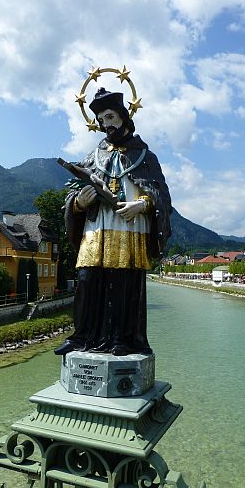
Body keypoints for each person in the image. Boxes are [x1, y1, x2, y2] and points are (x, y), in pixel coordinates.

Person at [54, 87, 171, 356]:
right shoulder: (93, 157)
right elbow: (72, 193)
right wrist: (79, 202)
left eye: (110, 117)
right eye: (102, 121)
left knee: (122, 283)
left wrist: (143, 204)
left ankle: (123, 339)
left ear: (123, 115)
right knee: (86, 279)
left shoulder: (146, 157)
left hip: (130, 227)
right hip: (96, 229)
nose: (106, 125)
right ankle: (81, 337)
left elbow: (162, 196)